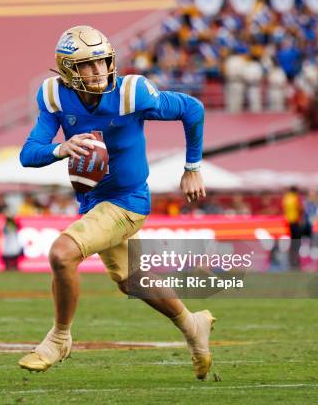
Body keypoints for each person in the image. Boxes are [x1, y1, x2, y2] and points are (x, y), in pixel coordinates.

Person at [18, 25, 213, 380]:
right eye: (86, 66)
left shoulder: (132, 93)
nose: (97, 72)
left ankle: (59, 337)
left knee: (62, 254)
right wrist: (60, 148)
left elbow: (193, 109)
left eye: (102, 62)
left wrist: (192, 168)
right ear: (66, 70)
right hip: (94, 202)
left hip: (128, 201)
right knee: (131, 279)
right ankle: (192, 324)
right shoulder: (54, 95)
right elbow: (28, 154)